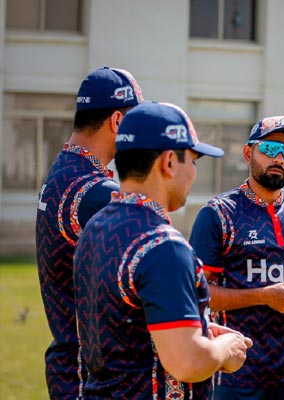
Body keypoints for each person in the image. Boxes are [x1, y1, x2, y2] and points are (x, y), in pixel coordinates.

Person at [73, 101, 252, 398]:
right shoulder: (163, 246)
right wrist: (224, 349)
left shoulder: (95, 228)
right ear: (169, 162)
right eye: (193, 160)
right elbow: (188, 362)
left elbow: (129, 326)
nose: (193, 172)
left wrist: (199, 329)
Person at [189, 115, 284, 400]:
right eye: (270, 149)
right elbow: (196, 295)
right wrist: (263, 296)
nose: (279, 159)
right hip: (237, 371)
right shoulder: (218, 214)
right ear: (248, 152)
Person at [35, 66, 143, 399]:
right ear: (118, 121)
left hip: (69, 367)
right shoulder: (96, 192)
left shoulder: (64, 170)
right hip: (91, 379)